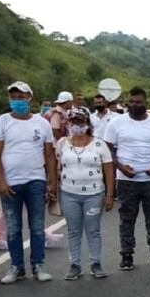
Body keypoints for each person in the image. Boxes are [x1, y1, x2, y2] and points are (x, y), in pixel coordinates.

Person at [0, 82, 57, 283]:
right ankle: (16, 267)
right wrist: (1, 182)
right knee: (13, 227)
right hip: (11, 183)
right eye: (14, 97)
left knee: (37, 226)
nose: (17, 101)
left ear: (30, 98)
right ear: (9, 99)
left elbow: (50, 154)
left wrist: (51, 181)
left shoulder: (41, 123)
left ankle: (38, 265)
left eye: (21, 97)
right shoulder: (0, 122)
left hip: (36, 181)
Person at [104, 87, 150, 270]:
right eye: (132, 102)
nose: (135, 105)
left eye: (139, 102)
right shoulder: (116, 123)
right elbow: (108, 149)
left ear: (146, 103)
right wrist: (121, 167)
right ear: (127, 103)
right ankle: (126, 255)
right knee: (127, 219)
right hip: (127, 180)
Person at [56, 108, 115, 280]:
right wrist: (53, 187)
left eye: (80, 122)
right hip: (69, 194)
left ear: (87, 124)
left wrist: (109, 195)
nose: (76, 126)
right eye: (73, 122)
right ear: (68, 123)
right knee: (74, 230)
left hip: (94, 194)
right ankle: (74, 264)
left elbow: (109, 171)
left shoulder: (99, 144)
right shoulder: (62, 144)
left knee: (93, 230)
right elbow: (56, 166)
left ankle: (96, 263)